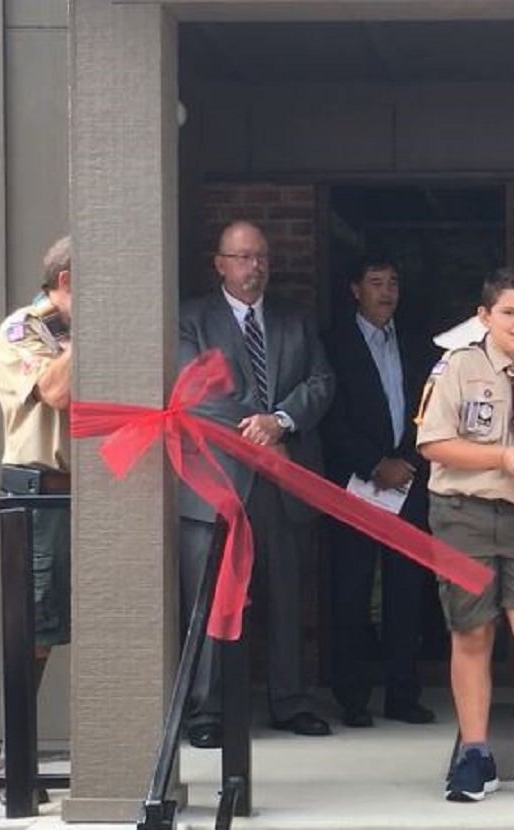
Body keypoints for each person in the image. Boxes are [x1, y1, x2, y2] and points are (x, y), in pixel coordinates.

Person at [416, 267, 514, 803]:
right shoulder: (457, 368)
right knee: (473, 632)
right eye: (509, 312)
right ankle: (475, 755)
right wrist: (501, 457)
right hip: (464, 514)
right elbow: (433, 443)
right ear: (484, 317)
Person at [178, 221, 336, 748]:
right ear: (219, 263)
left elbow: (321, 381)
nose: (254, 267)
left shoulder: (295, 318)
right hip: (216, 485)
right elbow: (196, 393)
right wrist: (257, 428)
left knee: (286, 594)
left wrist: (282, 421)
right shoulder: (191, 319)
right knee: (212, 598)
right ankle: (208, 711)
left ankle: (290, 701)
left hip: (283, 480)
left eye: (261, 257)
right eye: (242, 258)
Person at [321, 259, 436, 728]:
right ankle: (352, 695)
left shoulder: (415, 344)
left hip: (406, 482)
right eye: (375, 283)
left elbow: (430, 408)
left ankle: (403, 694)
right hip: (355, 483)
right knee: (351, 589)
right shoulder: (333, 344)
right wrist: (373, 464)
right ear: (355, 289)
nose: (386, 293)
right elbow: (331, 417)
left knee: (406, 590)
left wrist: (407, 461)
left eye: (393, 283)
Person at [0, 234, 74, 715]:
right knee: (36, 624)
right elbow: (54, 391)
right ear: (65, 281)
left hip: (95, 491)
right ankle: (15, 754)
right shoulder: (22, 330)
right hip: (42, 492)